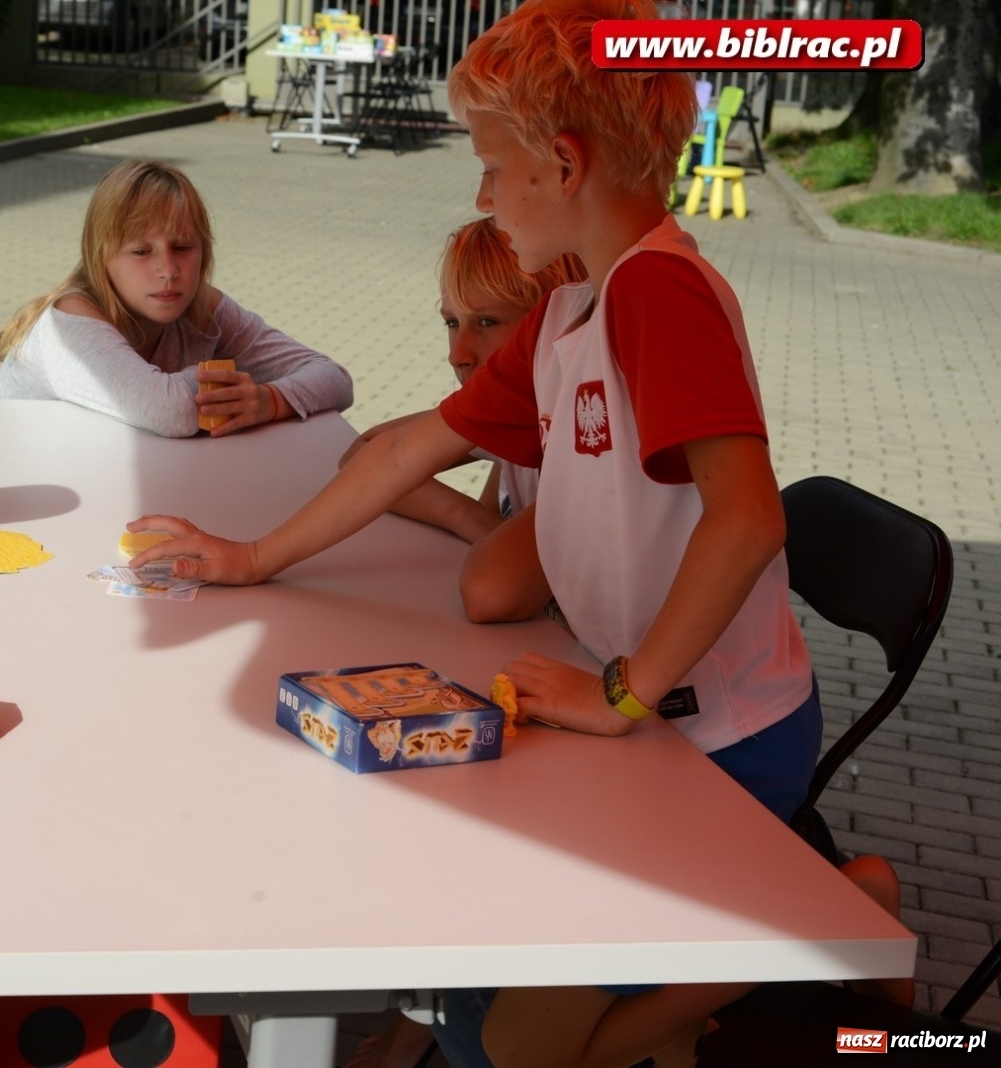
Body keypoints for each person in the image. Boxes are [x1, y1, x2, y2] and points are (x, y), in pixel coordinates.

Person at [129, 1, 826, 1063]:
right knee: (480, 1015)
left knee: (500, 1047)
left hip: (716, 738)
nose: (482, 193)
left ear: (561, 162)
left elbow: (747, 517)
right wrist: (252, 560)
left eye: (491, 164)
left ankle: (798, 934)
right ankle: (741, 953)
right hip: (645, 715)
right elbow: (410, 447)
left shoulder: (660, 293)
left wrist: (620, 692)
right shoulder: (569, 311)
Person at [0, 158, 354, 438]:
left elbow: (334, 378)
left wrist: (270, 401)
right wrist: (222, 381)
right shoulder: (68, 321)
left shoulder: (203, 308)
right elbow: (170, 413)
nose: (168, 269)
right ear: (100, 257)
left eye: (182, 247)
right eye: (140, 252)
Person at [340, 219, 586, 548]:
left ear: (553, 320)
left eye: (487, 321)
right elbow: (363, 457)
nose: (458, 355)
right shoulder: (510, 412)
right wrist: (468, 517)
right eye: (452, 322)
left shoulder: (577, 436)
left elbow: (497, 586)